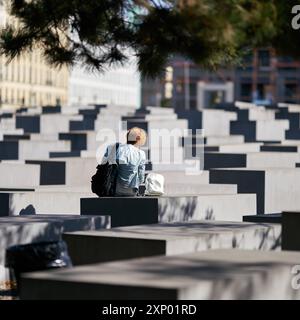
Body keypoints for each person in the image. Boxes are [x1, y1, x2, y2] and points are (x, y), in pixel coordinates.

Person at [102, 127, 147, 196]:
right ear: (138, 139)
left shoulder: (114, 148)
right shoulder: (141, 153)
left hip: (113, 189)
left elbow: (103, 165)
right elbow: (141, 177)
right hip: (131, 190)